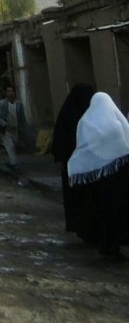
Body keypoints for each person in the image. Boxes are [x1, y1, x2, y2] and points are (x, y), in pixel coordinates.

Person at [66, 92, 129, 261]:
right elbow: (125, 146)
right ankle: (113, 246)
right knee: (117, 215)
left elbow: (83, 149)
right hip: (118, 180)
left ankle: (106, 245)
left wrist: (81, 165)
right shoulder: (117, 124)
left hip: (98, 183)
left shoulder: (85, 122)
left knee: (102, 215)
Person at [51, 83, 96, 234]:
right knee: (76, 198)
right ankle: (80, 227)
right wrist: (60, 158)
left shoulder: (93, 114)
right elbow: (60, 138)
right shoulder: (68, 114)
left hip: (89, 166)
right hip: (72, 165)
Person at [0, 85, 27, 174]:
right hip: (6, 129)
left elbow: (22, 118)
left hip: (15, 128)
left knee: (14, 145)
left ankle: (12, 164)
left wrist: (24, 129)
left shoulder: (19, 104)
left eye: (12, 91)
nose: (10, 93)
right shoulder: (2, 103)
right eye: (8, 91)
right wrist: (5, 124)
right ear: (5, 93)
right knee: (10, 147)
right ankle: (14, 164)